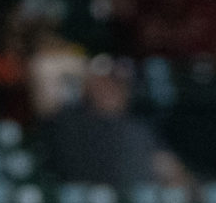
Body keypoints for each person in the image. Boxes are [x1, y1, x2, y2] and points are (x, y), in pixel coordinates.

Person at [39, 54, 193, 189]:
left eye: (117, 83)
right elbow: (45, 69)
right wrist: (86, 69)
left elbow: (172, 171)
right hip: (85, 201)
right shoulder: (68, 121)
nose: (109, 89)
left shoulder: (138, 128)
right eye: (103, 82)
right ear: (89, 86)